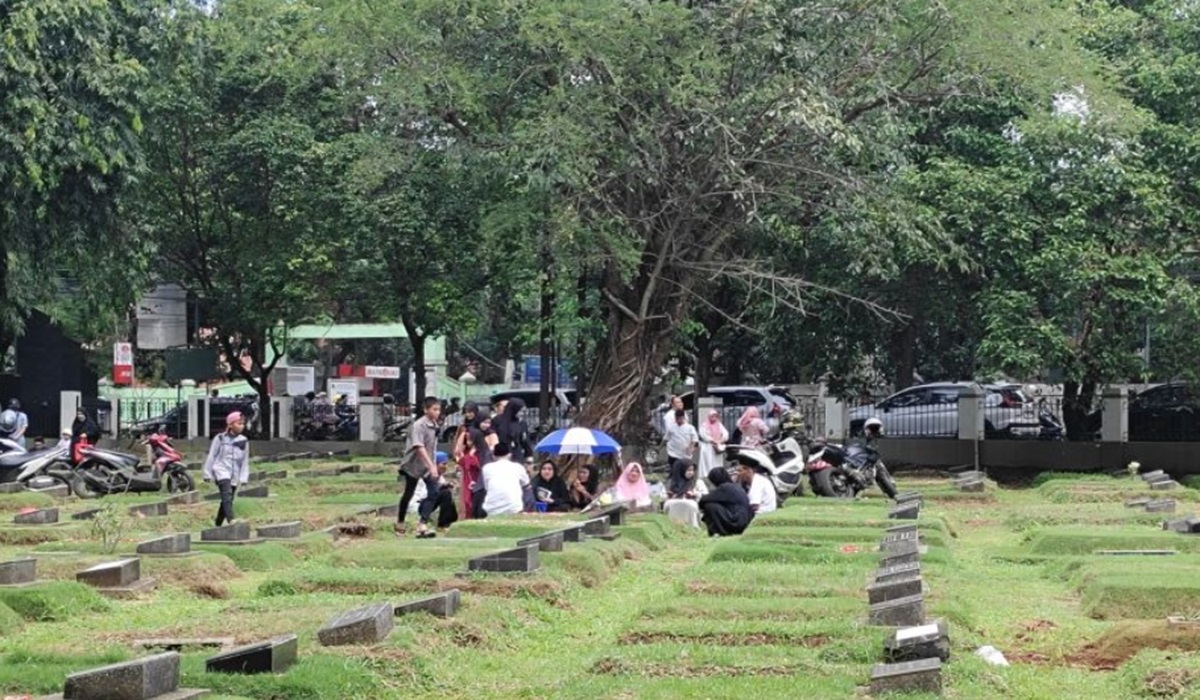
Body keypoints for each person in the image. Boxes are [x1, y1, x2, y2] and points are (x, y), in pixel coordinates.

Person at [396, 397, 442, 538]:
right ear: (425, 410)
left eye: (439, 409)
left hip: (428, 464)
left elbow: (432, 447)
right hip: (414, 464)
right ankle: (400, 523)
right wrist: (431, 465)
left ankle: (422, 523)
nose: (437, 412)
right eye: (434, 409)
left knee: (434, 492)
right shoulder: (418, 425)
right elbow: (419, 447)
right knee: (408, 494)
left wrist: (432, 465)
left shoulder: (435, 425)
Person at [202, 412, 250, 527]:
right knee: (226, 494)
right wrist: (207, 473)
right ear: (231, 424)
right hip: (221, 470)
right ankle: (231, 519)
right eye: (239, 423)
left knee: (228, 499)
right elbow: (212, 455)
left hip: (235, 473)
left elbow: (245, 460)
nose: (242, 426)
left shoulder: (244, 440)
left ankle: (218, 524)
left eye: (243, 424)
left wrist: (244, 477)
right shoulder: (220, 438)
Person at [699, 467, 753, 536]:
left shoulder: (724, 487)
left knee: (709, 506)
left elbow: (704, 500)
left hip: (737, 521)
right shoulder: (734, 486)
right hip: (744, 519)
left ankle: (719, 531)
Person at [481, 442, 530, 517]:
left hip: (492, 509)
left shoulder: (486, 468)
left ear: (493, 456)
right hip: (514, 509)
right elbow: (526, 484)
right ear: (509, 455)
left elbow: (487, 488)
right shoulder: (518, 467)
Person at [415, 451, 458, 536]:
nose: (445, 467)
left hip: (429, 504)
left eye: (446, 464)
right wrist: (441, 487)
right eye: (443, 464)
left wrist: (445, 486)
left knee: (447, 493)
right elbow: (426, 495)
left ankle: (448, 522)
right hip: (419, 506)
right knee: (446, 494)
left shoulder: (439, 476)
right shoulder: (426, 476)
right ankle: (442, 524)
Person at [662, 458, 708, 528]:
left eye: (692, 470)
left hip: (692, 507)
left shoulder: (697, 482)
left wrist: (695, 494)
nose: (691, 472)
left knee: (691, 505)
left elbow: (705, 495)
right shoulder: (671, 483)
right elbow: (662, 496)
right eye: (688, 470)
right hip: (673, 506)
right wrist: (669, 496)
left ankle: (693, 526)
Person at [494, 398, 533, 464]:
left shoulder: (521, 423)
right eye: (520, 411)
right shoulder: (497, 420)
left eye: (523, 412)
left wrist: (529, 456)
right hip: (501, 455)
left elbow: (525, 440)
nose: (522, 414)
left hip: (517, 455)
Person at [663, 409, 699, 474]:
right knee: (674, 471)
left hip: (685, 455)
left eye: (680, 418)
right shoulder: (671, 427)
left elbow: (695, 440)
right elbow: (665, 438)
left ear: (683, 418)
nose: (678, 420)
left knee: (685, 472)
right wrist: (659, 448)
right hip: (673, 453)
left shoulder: (690, 428)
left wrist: (691, 448)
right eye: (677, 418)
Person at [457, 434, 482, 520]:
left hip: (476, 477)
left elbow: (475, 464)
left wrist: (469, 457)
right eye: (467, 440)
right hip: (468, 478)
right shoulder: (467, 451)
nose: (468, 442)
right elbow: (461, 462)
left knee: (472, 500)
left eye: (470, 440)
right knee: (467, 500)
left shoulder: (479, 451)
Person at [697, 409, 729, 476]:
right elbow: (704, 435)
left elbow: (726, 434)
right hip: (708, 447)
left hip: (717, 447)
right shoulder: (704, 425)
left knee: (717, 462)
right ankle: (707, 475)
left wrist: (720, 440)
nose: (714, 418)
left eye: (715, 416)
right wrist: (712, 440)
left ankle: (717, 475)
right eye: (712, 416)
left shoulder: (719, 425)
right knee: (708, 463)